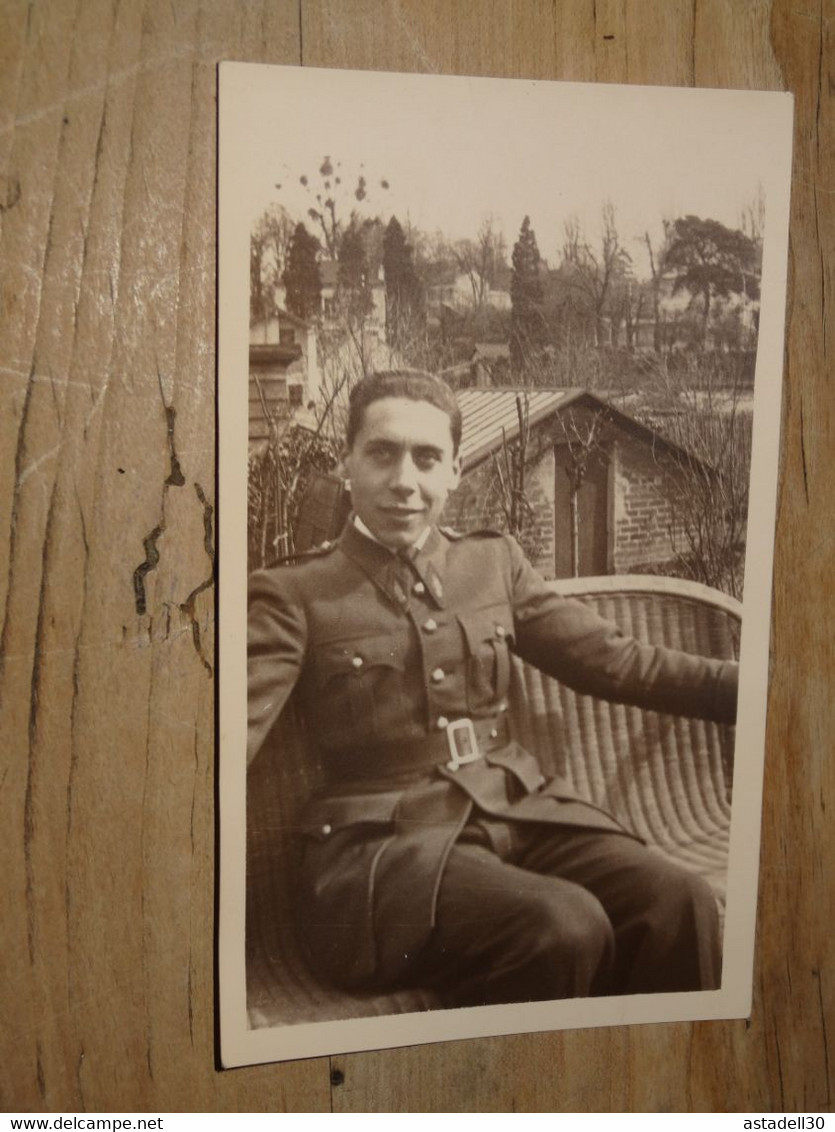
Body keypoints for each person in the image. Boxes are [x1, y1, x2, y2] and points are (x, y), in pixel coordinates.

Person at [247, 370, 738, 1007]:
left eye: (427, 459)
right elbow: (229, 734)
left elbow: (619, 662)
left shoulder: (491, 563)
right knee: (562, 926)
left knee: (680, 902)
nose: (404, 481)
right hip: (383, 853)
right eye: (382, 453)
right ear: (347, 465)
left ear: (454, 470)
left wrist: (770, 695)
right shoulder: (295, 593)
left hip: (514, 808)